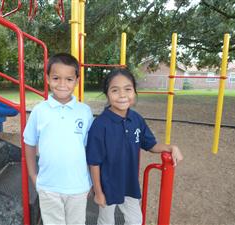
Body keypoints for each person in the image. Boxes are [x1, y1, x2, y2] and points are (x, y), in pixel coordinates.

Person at [86, 68, 183, 225]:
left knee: (135, 220)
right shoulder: (100, 124)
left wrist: (171, 147)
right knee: (106, 221)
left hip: (130, 184)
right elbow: (94, 161)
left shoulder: (136, 119)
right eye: (115, 90)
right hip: (108, 185)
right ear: (107, 94)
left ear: (134, 92)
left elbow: (151, 144)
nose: (122, 95)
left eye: (128, 89)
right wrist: (98, 192)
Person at [23, 53, 94, 225]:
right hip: (48, 187)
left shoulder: (84, 111)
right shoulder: (39, 111)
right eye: (56, 78)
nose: (62, 84)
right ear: (47, 79)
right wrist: (34, 177)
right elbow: (29, 143)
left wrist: (91, 181)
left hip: (78, 187)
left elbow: (91, 149)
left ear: (77, 80)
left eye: (69, 79)